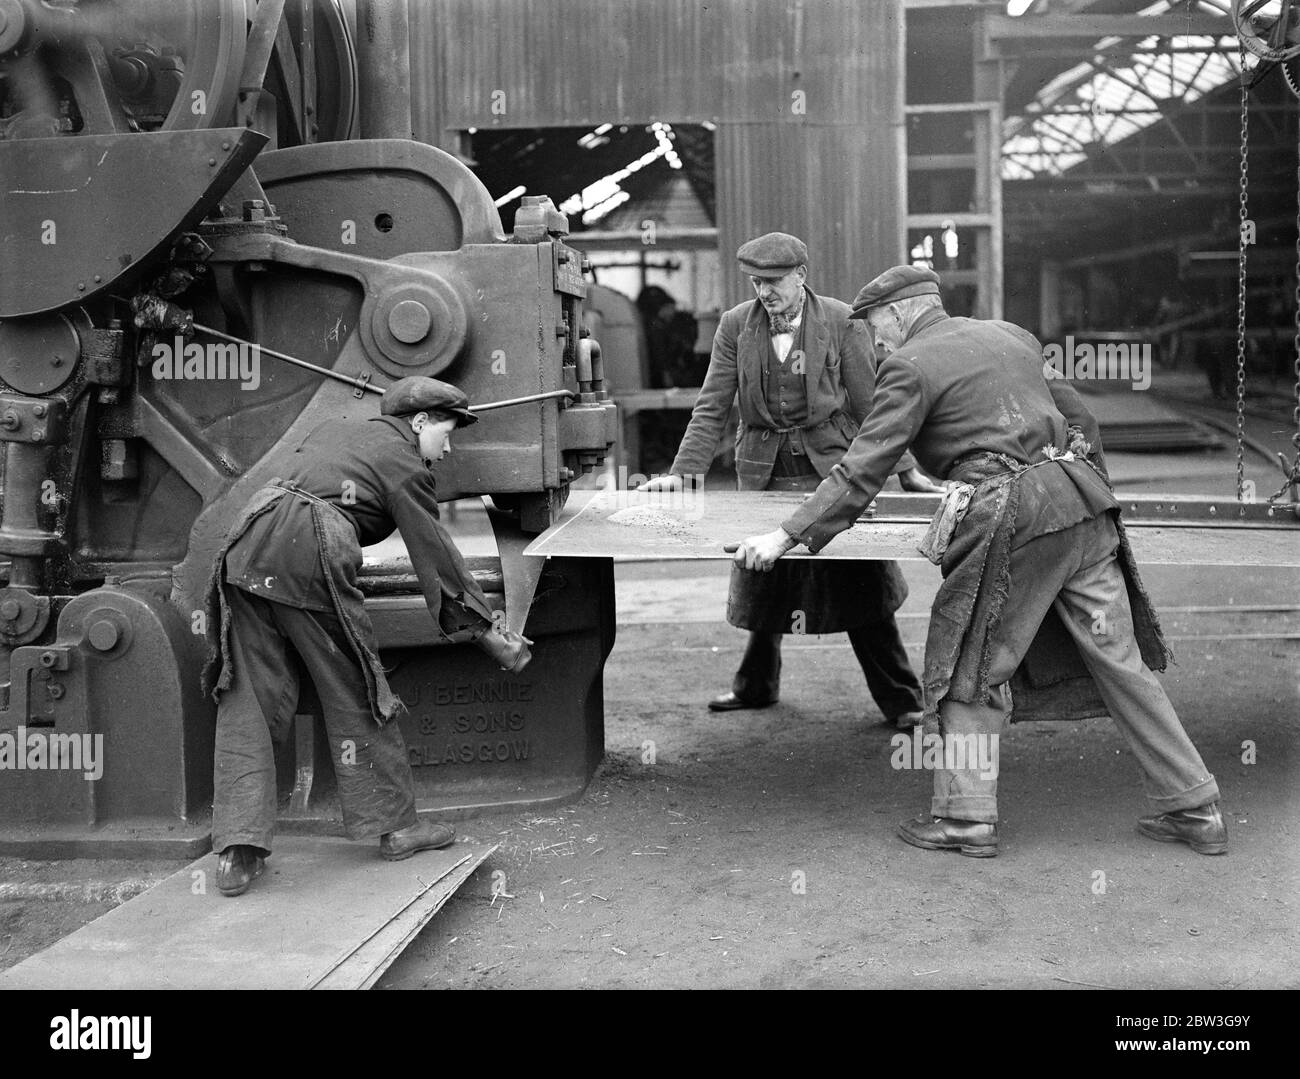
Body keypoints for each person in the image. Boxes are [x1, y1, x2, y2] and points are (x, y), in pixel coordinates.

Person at [732, 265, 1226, 858]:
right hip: (1084, 508)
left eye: (873, 327)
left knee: (967, 657)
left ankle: (965, 819)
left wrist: (786, 536)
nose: (872, 340)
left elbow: (861, 468)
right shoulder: (1010, 335)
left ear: (899, 313)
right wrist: (1083, 497)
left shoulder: (908, 365)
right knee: (1121, 661)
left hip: (1009, 515)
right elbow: (1083, 424)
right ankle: (1196, 807)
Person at [202, 376, 533, 896]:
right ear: (419, 422)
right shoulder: (402, 459)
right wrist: (486, 630)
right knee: (356, 685)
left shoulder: (336, 430)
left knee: (246, 693)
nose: (446, 450)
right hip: (308, 546)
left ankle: (238, 848)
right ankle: (397, 827)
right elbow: (435, 552)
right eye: (446, 433)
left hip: (246, 545)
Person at [642, 233, 939, 727]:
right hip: (764, 470)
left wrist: (906, 471)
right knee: (763, 575)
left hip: (832, 470)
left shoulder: (844, 321)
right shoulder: (736, 325)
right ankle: (755, 687)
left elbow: (872, 405)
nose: (764, 291)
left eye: (774, 281)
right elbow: (713, 403)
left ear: (802, 276)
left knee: (861, 581)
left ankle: (902, 699)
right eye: (757, 281)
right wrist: (684, 475)